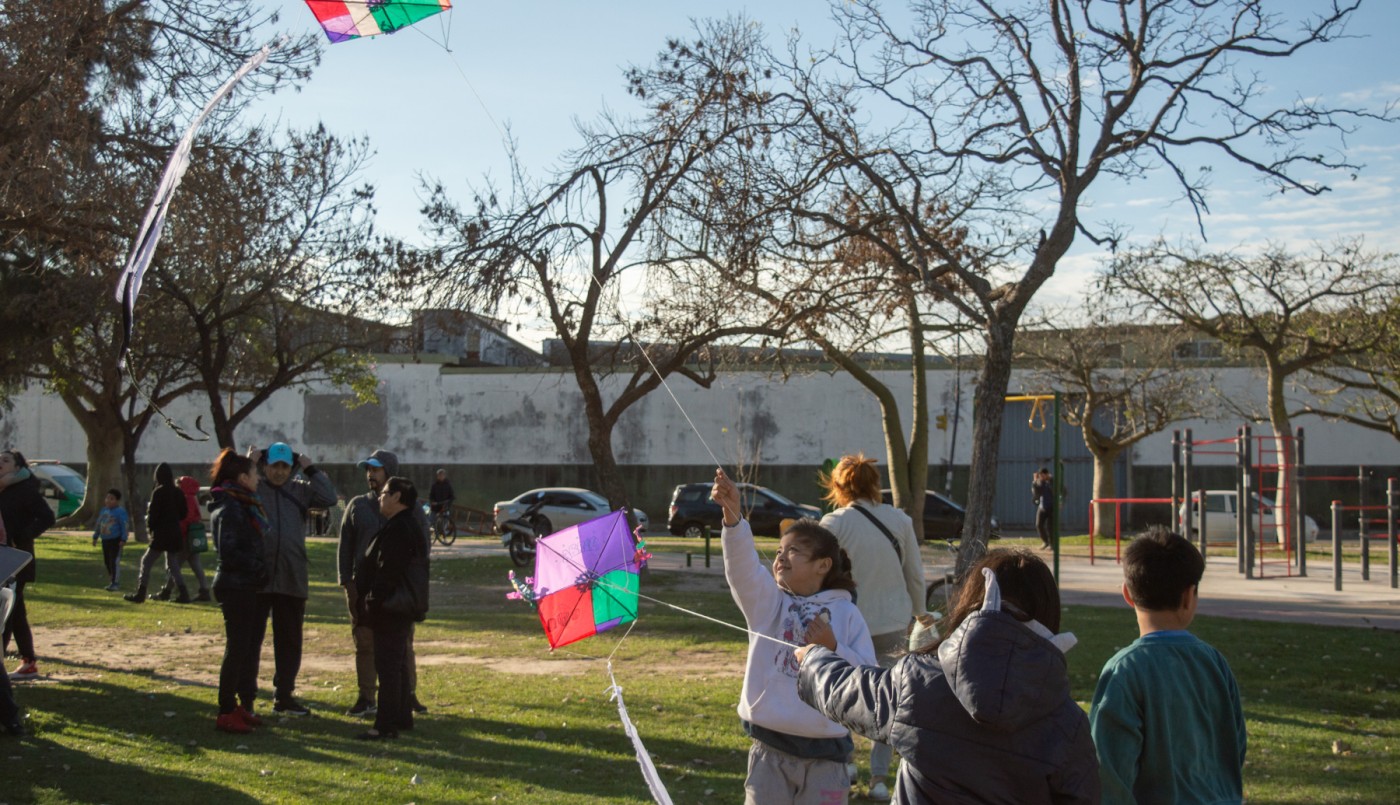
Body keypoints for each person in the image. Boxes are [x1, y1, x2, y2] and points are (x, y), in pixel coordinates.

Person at [796, 549, 1100, 804]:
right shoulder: (1068, 724)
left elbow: (843, 692)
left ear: (972, 603)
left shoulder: (918, 682)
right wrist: (815, 659)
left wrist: (812, 658)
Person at [715, 468, 876, 805]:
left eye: (793, 552)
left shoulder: (847, 614)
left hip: (828, 760)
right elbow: (742, 568)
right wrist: (733, 518)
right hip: (769, 752)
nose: (780, 557)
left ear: (822, 566)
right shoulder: (768, 602)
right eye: (778, 551)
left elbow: (868, 678)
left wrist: (834, 647)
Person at [1090, 526, 1246, 804]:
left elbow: (1108, 769)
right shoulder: (1215, 663)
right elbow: (1236, 747)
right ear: (1189, 596)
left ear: (1127, 594)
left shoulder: (1124, 671)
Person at [819, 453, 932, 800]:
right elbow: (913, 573)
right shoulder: (899, 520)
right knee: (889, 702)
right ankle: (880, 779)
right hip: (894, 622)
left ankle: (846, 761)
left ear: (838, 486)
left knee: (838, 693)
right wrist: (921, 611)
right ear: (874, 483)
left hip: (848, 624)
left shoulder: (832, 524)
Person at [339, 449, 427, 718]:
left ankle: (406, 695)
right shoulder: (358, 505)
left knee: (401, 644)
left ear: (389, 473)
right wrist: (348, 584)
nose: (370, 474)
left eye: (375, 470)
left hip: (397, 589)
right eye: (368, 469)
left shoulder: (409, 509)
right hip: (363, 589)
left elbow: (422, 550)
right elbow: (345, 548)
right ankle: (366, 696)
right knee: (365, 643)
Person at [252, 441, 337, 716]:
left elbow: (329, 498)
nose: (278, 472)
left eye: (284, 467)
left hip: (291, 575)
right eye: (274, 466)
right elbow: (230, 488)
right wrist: (249, 464)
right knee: (251, 638)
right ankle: (246, 694)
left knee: (289, 639)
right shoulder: (254, 486)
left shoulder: (300, 490)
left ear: (291, 467)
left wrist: (309, 467)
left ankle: (284, 694)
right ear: (265, 465)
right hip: (258, 576)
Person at [207, 449, 269, 734]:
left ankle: (238, 706)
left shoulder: (243, 504)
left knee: (246, 648)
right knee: (237, 649)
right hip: (236, 585)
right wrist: (257, 566)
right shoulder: (230, 507)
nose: (258, 480)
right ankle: (225, 710)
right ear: (243, 477)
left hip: (247, 584)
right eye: (254, 475)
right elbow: (230, 551)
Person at [0, 449, 56, 681]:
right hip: (3, 558)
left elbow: (47, 517)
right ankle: (28, 661)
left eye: (5, 461)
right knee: (15, 612)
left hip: (17, 560)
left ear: (17, 466)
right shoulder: (2, 489)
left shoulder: (24, 489)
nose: (0, 464)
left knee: (7, 611)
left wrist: (24, 536)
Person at [125, 463, 189, 604]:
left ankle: (141, 592)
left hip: (161, 533)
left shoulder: (158, 492)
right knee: (173, 565)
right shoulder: (178, 492)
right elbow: (184, 513)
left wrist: (151, 528)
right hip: (174, 532)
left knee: (147, 562)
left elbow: (152, 514)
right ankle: (183, 592)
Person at [152, 476, 211, 602]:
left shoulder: (186, 498)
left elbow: (185, 518)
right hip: (192, 536)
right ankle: (204, 590)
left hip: (185, 536)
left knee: (175, 565)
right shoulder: (193, 498)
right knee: (195, 564)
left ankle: (167, 591)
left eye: (179, 484)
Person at [92, 489, 130, 592]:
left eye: (112, 499)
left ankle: (115, 583)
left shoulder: (120, 512)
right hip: (105, 540)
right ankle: (112, 579)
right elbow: (99, 524)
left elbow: (124, 526)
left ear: (117, 501)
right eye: (107, 498)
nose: (108, 500)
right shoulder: (104, 511)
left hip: (116, 540)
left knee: (114, 561)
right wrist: (95, 536)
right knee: (107, 561)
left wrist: (123, 538)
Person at [1033, 467, 1055, 550]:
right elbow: (1036, 493)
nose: (1042, 477)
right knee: (1039, 525)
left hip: (1052, 507)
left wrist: (1048, 482)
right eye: (1040, 475)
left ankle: (1052, 544)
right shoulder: (1039, 482)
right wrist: (1035, 482)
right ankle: (1045, 542)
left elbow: (1060, 490)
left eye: (1043, 475)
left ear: (1047, 474)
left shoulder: (1053, 481)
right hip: (1042, 507)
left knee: (1050, 527)